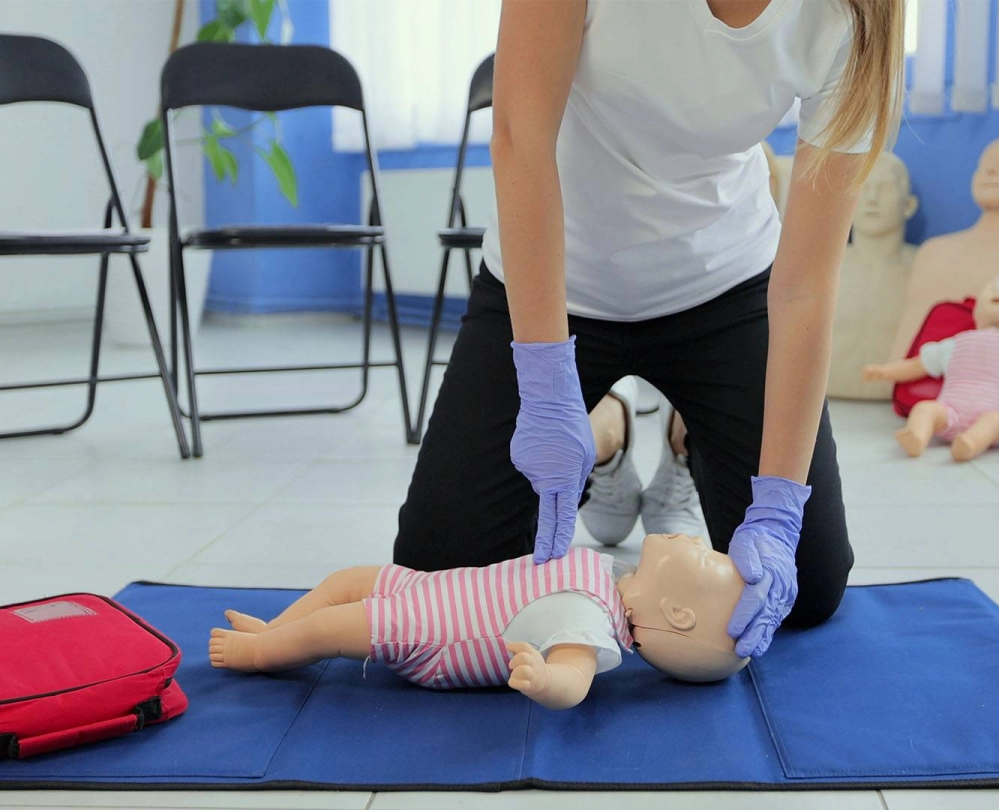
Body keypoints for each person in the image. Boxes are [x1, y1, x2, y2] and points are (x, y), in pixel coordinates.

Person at [396, 0, 905, 659]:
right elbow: (520, 140)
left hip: (721, 283)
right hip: (555, 282)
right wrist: (549, 385)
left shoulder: (857, 17)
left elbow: (807, 287)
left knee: (805, 593)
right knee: (439, 577)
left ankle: (686, 435)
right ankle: (605, 428)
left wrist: (778, 510)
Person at [210, 533, 748, 710]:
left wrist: (543, 679)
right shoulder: (608, 572)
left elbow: (575, 683)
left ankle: (258, 654)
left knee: (330, 630)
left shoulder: (592, 621)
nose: (697, 540)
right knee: (345, 580)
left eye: (705, 555)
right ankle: (273, 630)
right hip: (433, 588)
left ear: (679, 614)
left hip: (433, 633)